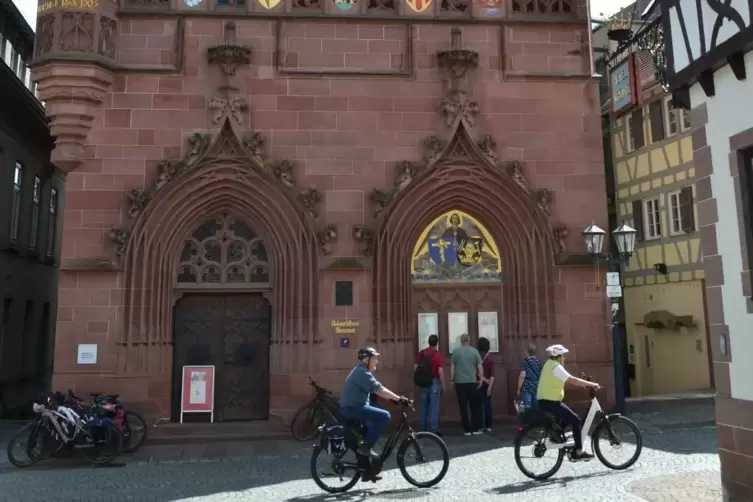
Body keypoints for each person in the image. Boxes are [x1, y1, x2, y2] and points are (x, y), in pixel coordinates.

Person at [340, 347, 407, 462]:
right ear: (367, 360)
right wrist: (400, 399)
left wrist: (393, 399)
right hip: (353, 408)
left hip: (353, 407)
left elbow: (378, 389)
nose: (377, 361)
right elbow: (379, 390)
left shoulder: (362, 371)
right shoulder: (362, 372)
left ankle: (366, 467)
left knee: (370, 426)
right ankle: (366, 447)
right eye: (375, 358)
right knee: (384, 416)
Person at [536, 344, 601, 461]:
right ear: (558, 356)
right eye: (563, 356)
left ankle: (555, 435)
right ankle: (579, 452)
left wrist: (584, 384)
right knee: (576, 420)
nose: (565, 358)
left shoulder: (548, 364)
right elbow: (573, 380)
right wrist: (592, 384)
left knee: (569, 415)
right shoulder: (556, 367)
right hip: (550, 401)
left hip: (546, 400)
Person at [450, 333, 483, 435]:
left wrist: (452, 380)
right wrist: (480, 379)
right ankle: (475, 428)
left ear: (461, 341)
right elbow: (480, 367)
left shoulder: (456, 352)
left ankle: (466, 430)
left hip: (460, 383)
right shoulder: (474, 351)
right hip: (472, 382)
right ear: (469, 340)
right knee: (474, 406)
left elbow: (452, 367)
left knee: (463, 407)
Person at [414, 334, 445, 436]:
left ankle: (422, 429)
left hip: (423, 383)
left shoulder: (422, 353)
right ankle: (434, 430)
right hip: (434, 382)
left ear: (428, 342)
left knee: (423, 407)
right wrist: (443, 384)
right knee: (434, 407)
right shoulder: (438, 355)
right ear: (437, 343)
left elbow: (415, 368)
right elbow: (440, 372)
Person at [477, 337, 495, 433]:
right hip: (488, 384)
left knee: (479, 406)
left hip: (479, 384)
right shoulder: (490, 358)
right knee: (488, 405)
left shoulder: (477, 357)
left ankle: (480, 426)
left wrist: (481, 378)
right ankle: (489, 426)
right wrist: (490, 387)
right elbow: (492, 375)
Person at [517, 343, 542, 409]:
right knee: (536, 409)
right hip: (537, 387)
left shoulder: (525, 361)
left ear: (527, 351)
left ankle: (528, 419)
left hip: (527, 387)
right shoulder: (539, 361)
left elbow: (522, 376)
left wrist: (518, 389)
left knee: (527, 409)